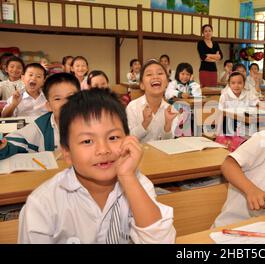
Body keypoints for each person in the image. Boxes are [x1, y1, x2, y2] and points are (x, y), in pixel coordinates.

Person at [18, 88, 176, 243]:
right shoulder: (43, 204)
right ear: (67, 152)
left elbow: (161, 240)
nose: (103, 150)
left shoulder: (137, 183)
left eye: (113, 137)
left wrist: (128, 177)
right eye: (87, 141)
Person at [0, 73, 80, 159]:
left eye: (71, 97)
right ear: (49, 106)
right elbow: (13, 142)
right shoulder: (40, 127)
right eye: (57, 98)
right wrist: (3, 147)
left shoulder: (92, 122)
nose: (65, 103)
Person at [126, 60, 180, 143]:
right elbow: (129, 139)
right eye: (149, 74)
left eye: (160, 73)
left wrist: (168, 124)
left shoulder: (170, 110)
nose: (155, 77)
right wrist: (145, 123)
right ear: (142, 85)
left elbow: (169, 143)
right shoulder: (132, 107)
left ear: (167, 83)